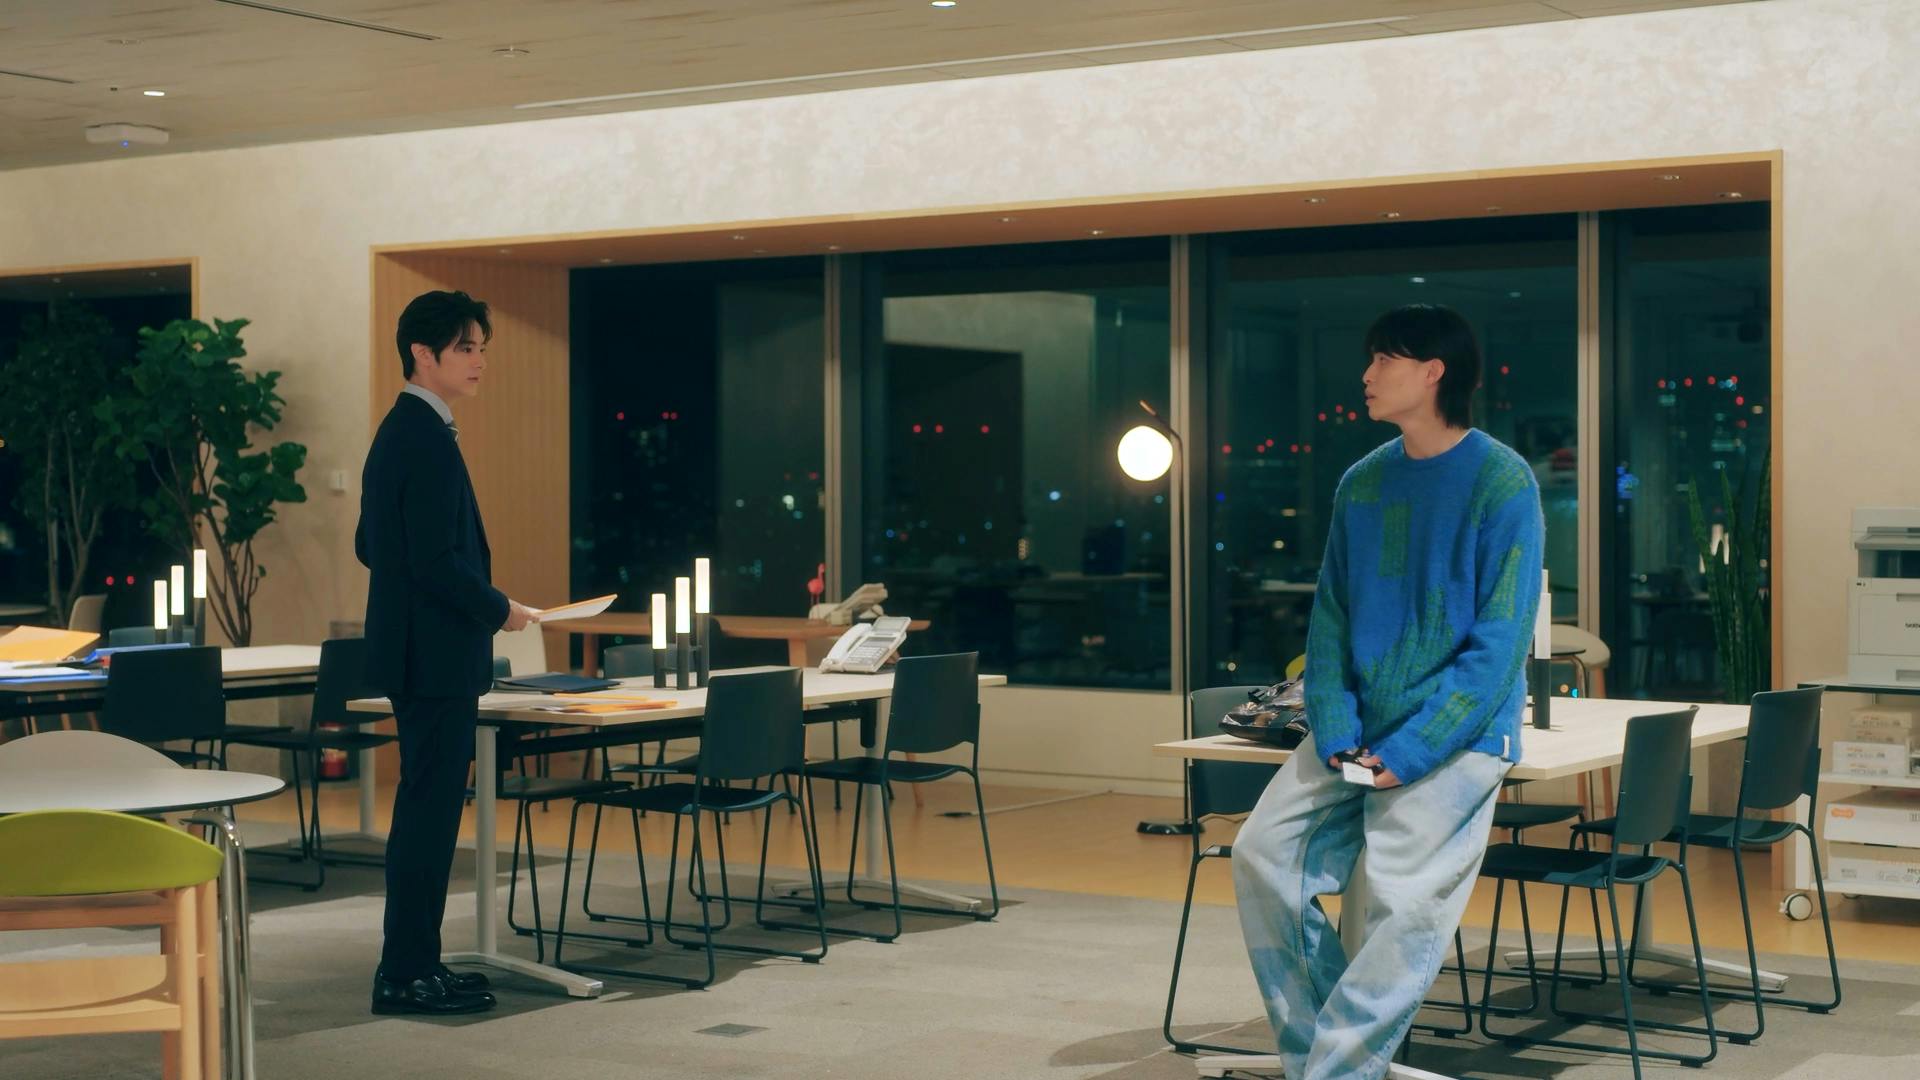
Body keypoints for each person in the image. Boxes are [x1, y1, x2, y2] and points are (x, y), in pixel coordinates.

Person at [1232, 303, 1544, 1080]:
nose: (1366, 374)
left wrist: (1408, 752)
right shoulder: (1362, 482)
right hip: (1354, 730)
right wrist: (1338, 731)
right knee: (1263, 857)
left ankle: (1336, 1071)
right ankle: (1327, 1060)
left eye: (1384, 359)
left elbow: (1500, 642)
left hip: (1457, 734)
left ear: (1433, 371)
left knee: (1402, 907)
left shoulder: (1502, 480)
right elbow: (1331, 619)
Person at [358, 289, 540, 1015]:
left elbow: (372, 544)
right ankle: (405, 973)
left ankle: (418, 964)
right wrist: (501, 609)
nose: (479, 362)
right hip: (433, 658)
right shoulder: (424, 436)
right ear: (421, 354)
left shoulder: (403, 430)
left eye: (481, 348)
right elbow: (434, 561)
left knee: (427, 812)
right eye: (465, 348)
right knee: (428, 817)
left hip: (421, 652)